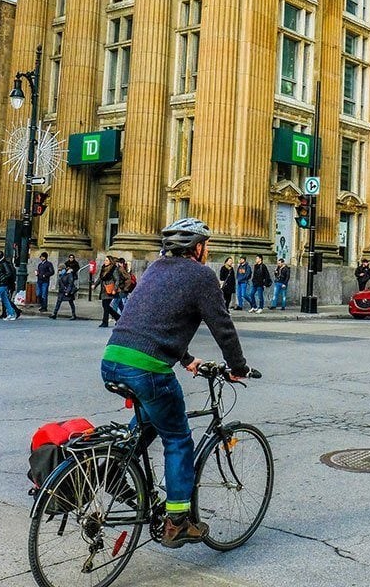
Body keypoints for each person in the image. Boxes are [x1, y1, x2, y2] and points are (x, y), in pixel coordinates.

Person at [100, 217, 252, 548]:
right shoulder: (202, 276)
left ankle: (113, 471)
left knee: (152, 418)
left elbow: (156, 321)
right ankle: (178, 522)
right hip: (146, 368)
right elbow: (222, 326)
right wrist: (238, 367)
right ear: (197, 247)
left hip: (112, 359)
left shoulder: (156, 269)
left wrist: (186, 359)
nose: (208, 250)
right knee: (178, 438)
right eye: (206, 244)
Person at [93, 255, 122, 328]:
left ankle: (105, 322)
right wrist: (95, 285)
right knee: (106, 306)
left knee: (106, 306)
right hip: (104, 289)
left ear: (110, 261)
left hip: (110, 289)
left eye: (106, 260)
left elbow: (117, 280)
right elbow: (100, 278)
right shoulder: (103, 268)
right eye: (105, 260)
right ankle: (119, 318)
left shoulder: (114, 269)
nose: (105, 262)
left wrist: (115, 289)